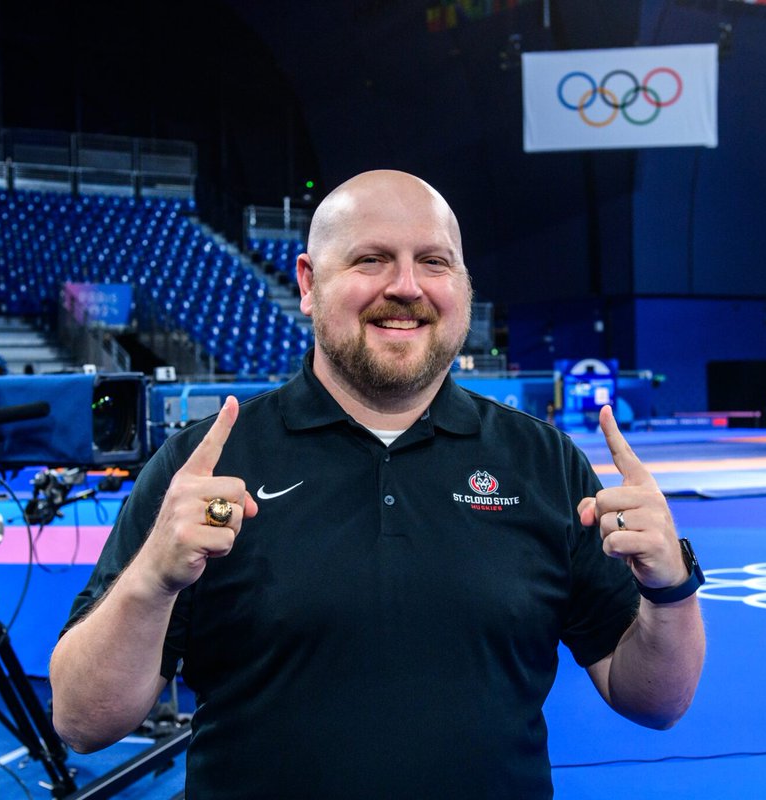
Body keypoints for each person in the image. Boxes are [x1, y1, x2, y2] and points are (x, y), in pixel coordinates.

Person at [49, 170, 705, 799]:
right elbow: (83, 720)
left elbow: (654, 702)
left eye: (435, 261)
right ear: (307, 283)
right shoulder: (205, 466)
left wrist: (669, 586)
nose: (407, 286)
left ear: (464, 285)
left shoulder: (543, 463)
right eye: (371, 260)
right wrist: (152, 580)